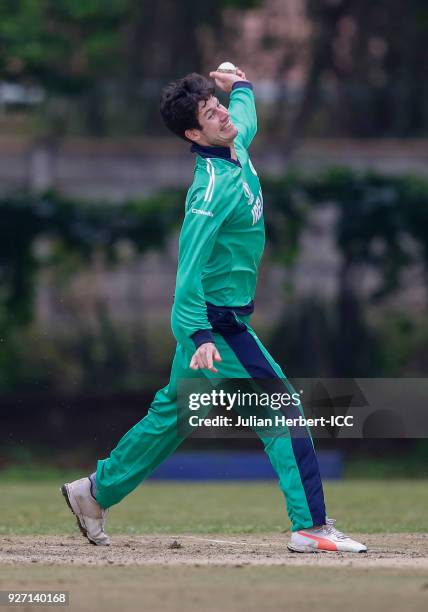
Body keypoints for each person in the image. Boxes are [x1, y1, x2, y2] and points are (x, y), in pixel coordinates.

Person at [61, 67, 367, 554]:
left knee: (174, 416)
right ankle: (309, 526)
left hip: (216, 324)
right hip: (216, 325)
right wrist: (199, 334)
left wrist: (240, 86)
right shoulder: (208, 190)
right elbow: (187, 273)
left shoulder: (233, 141)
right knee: (283, 412)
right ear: (192, 133)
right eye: (210, 113)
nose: (223, 115)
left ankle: (94, 493)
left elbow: (246, 116)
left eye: (218, 106)